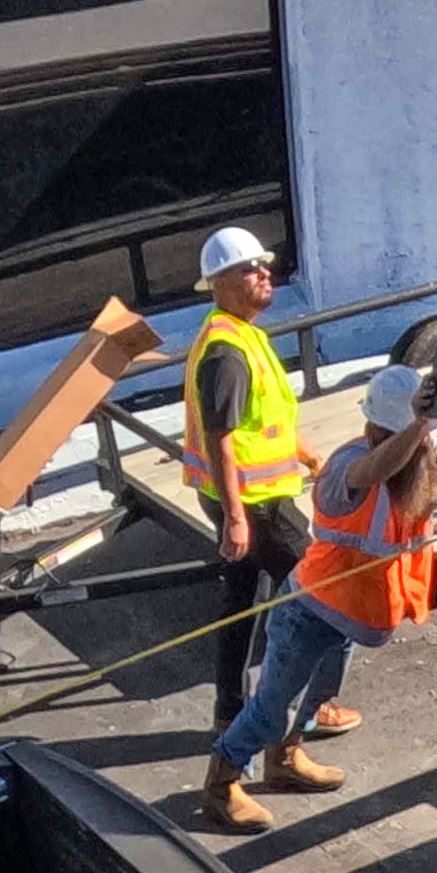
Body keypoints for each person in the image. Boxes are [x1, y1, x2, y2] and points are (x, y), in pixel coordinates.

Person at [197, 364, 437, 835]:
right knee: (268, 709)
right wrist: (420, 426)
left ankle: (285, 759)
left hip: (352, 616)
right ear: (387, 429)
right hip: (308, 612)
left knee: (319, 695)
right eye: (417, 433)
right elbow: (377, 469)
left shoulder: (420, 455)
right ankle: (221, 782)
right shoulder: (347, 469)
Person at [180, 224, 357, 749]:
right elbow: (223, 439)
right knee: (325, 598)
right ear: (219, 283)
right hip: (257, 507)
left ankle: (228, 710)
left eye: (264, 266)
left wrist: (306, 455)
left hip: (247, 501)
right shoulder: (227, 352)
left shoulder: (240, 334)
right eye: (249, 269)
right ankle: (308, 710)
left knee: (240, 605)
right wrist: (237, 517)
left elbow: (266, 418)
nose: (265, 275)